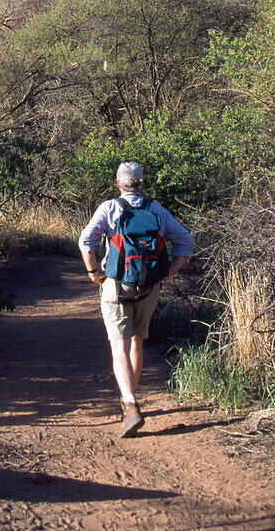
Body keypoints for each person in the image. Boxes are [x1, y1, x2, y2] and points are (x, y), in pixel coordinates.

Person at [78, 160, 195, 438]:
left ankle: (130, 405)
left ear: (118, 184)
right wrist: (165, 275)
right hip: (149, 286)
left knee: (118, 344)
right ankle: (130, 400)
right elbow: (187, 244)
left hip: (116, 285)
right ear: (143, 184)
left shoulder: (110, 208)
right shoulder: (156, 210)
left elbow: (86, 241)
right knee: (137, 342)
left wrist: (94, 272)